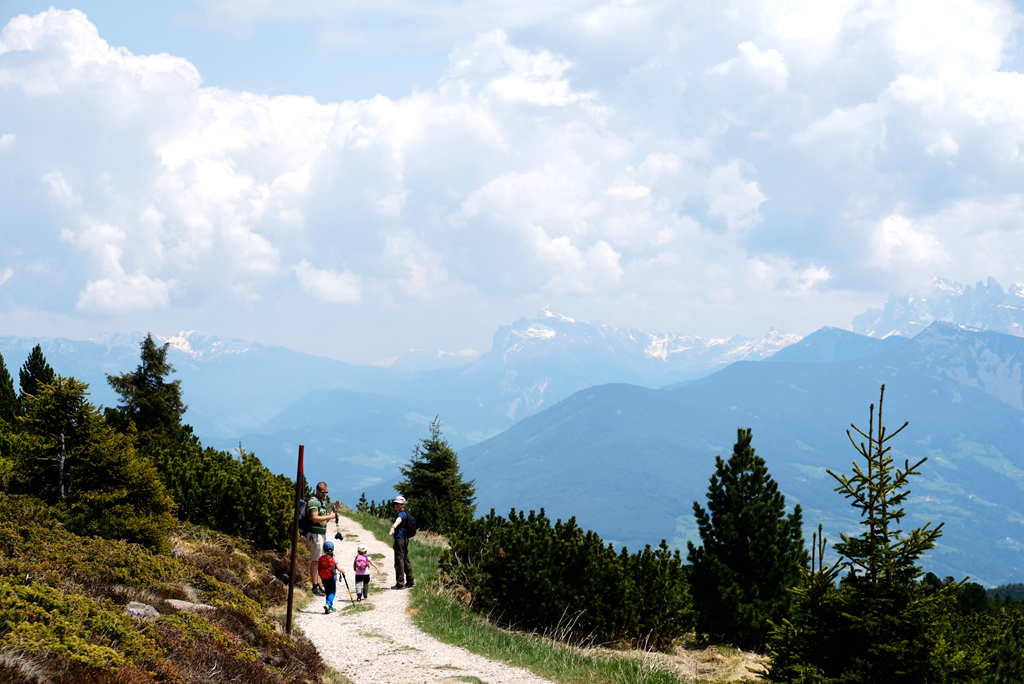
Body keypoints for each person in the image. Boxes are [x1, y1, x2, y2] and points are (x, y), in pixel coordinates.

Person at [305, 481, 338, 596]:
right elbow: (314, 518)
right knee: (315, 560)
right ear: (318, 490)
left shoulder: (321, 503)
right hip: (314, 535)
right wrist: (330, 516)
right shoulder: (314, 502)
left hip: (320, 534)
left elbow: (325, 519)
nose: (325, 494)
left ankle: (318, 584)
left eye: (326, 492)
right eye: (323, 492)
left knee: (319, 560)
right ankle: (315, 586)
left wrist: (333, 512)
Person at [388, 495, 414, 589]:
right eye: (395, 503)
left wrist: (393, 527)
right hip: (404, 539)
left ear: (403, 504)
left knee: (399, 561)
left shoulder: (401, 514)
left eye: (398, 503)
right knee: (406, 560)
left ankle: (400, 583)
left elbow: (398, 521)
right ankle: (410, 581)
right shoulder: (404, 513)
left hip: (400, 539)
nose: (396, 505)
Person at [318, 540, 341, 613]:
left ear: (323, 549)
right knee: (332, 592)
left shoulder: (322, 558)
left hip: (324, 578)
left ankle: (329, 607)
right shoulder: (333, 558)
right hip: (332, 578)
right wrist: (342, 571)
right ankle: (328, 604)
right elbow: (338, 568)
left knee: (327, 592)